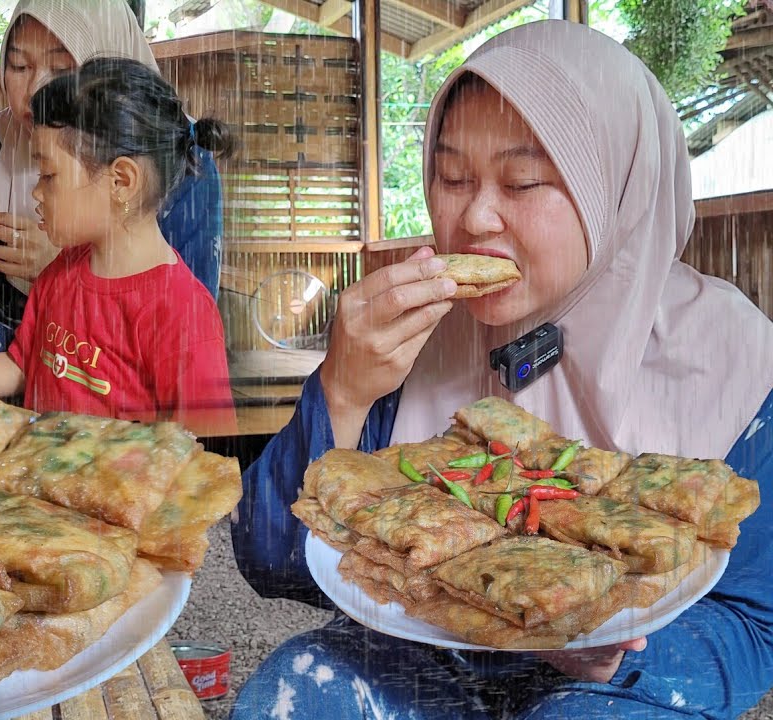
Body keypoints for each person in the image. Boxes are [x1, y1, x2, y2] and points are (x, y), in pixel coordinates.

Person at [229, 20, 773, 719]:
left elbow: (757, 622)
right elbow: (272, 562)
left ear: (616, 188)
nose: (475, 217)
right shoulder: (409, 339)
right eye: (452, 177)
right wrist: (341, 389)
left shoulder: (737, 360)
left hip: (622, 686)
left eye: (521, 181)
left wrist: (617, 647)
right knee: (298, 685)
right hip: (429, 656)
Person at [0, 57, 237, 437]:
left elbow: (204, 459)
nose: (36, 192)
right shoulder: (62, 272)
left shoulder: (180, 314)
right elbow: (20, 365)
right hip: (36, 487)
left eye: (48, 175)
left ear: (121, 182)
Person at [0, 0, 224, 363]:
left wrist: (64, 272)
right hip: (1, 368)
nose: (33, 93)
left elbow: (184, 340)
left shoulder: (178, 158)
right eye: (19, 65)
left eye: (62, 69)